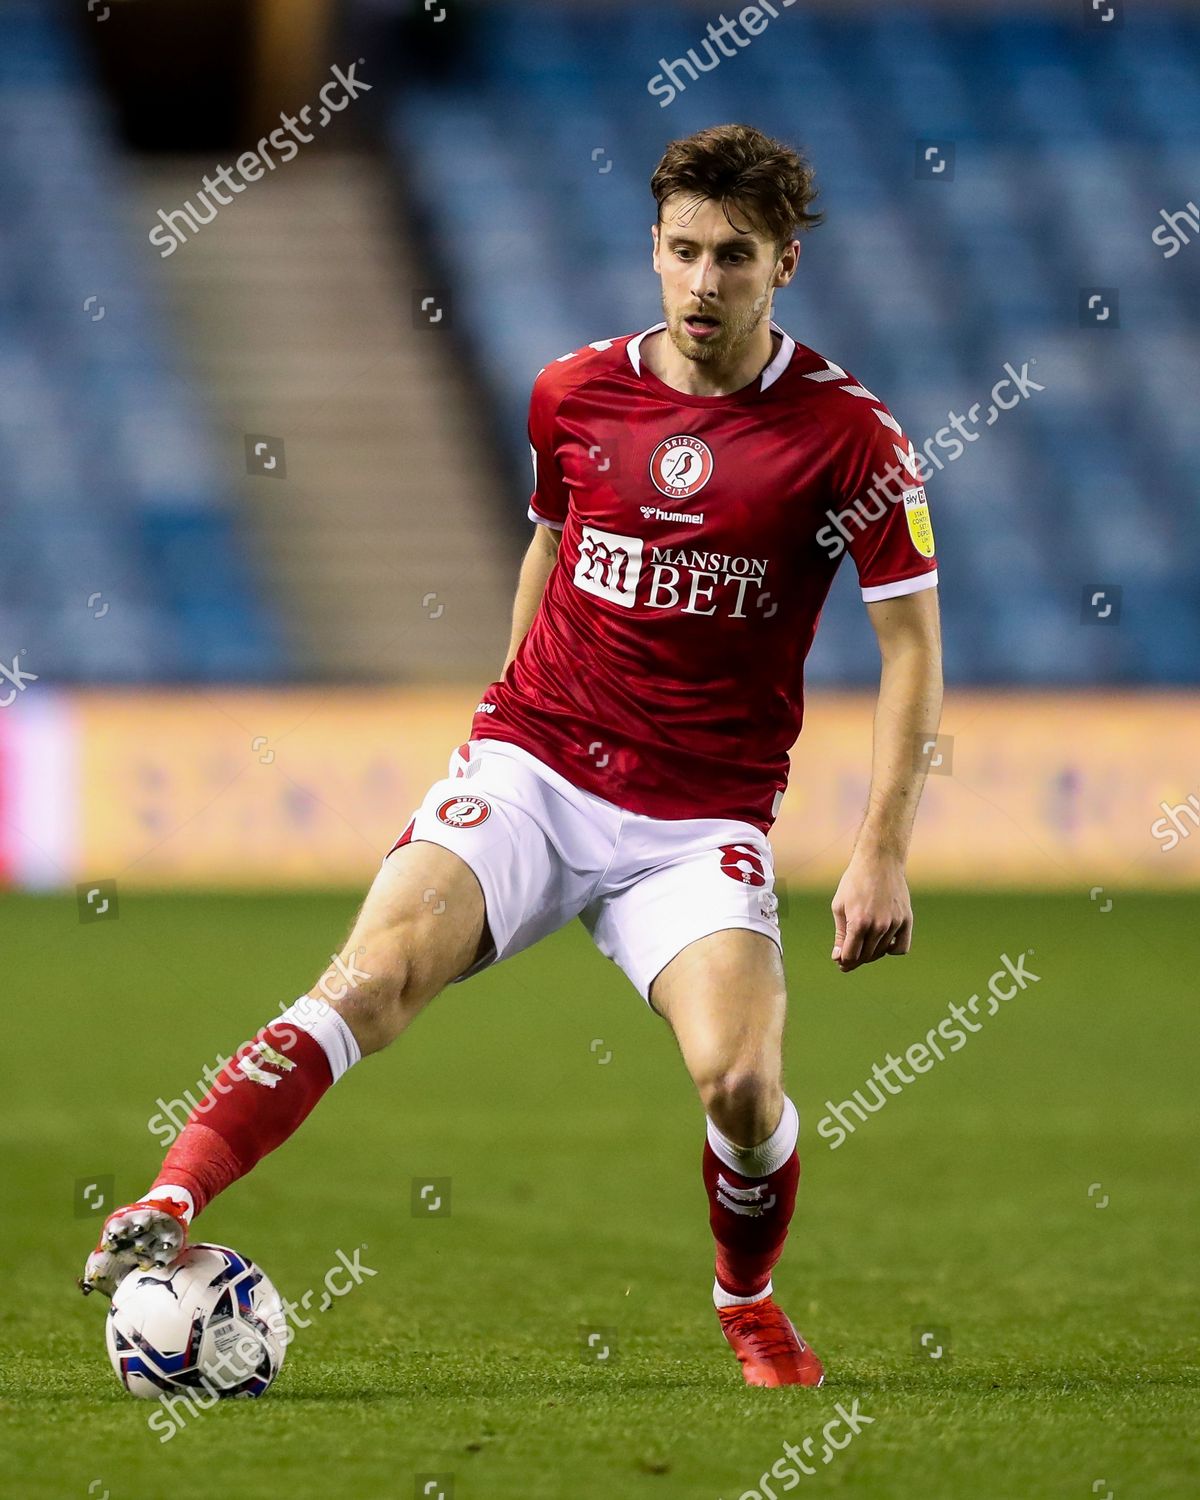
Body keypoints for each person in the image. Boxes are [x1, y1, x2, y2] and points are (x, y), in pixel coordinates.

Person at [82, 122, 943, 1389]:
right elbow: (550, 544)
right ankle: (167, 1197)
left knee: (742, 1086)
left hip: (700, 816)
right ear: (652, 249)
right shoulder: (573, 394)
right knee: (372, 977)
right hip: (536, 764)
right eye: (686, 251)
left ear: (786, 265)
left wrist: (881, 855)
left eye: (737, 257)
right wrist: (497, 717)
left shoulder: (849, 438)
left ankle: (746, 1298)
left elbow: (912, 649)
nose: (706, 283)